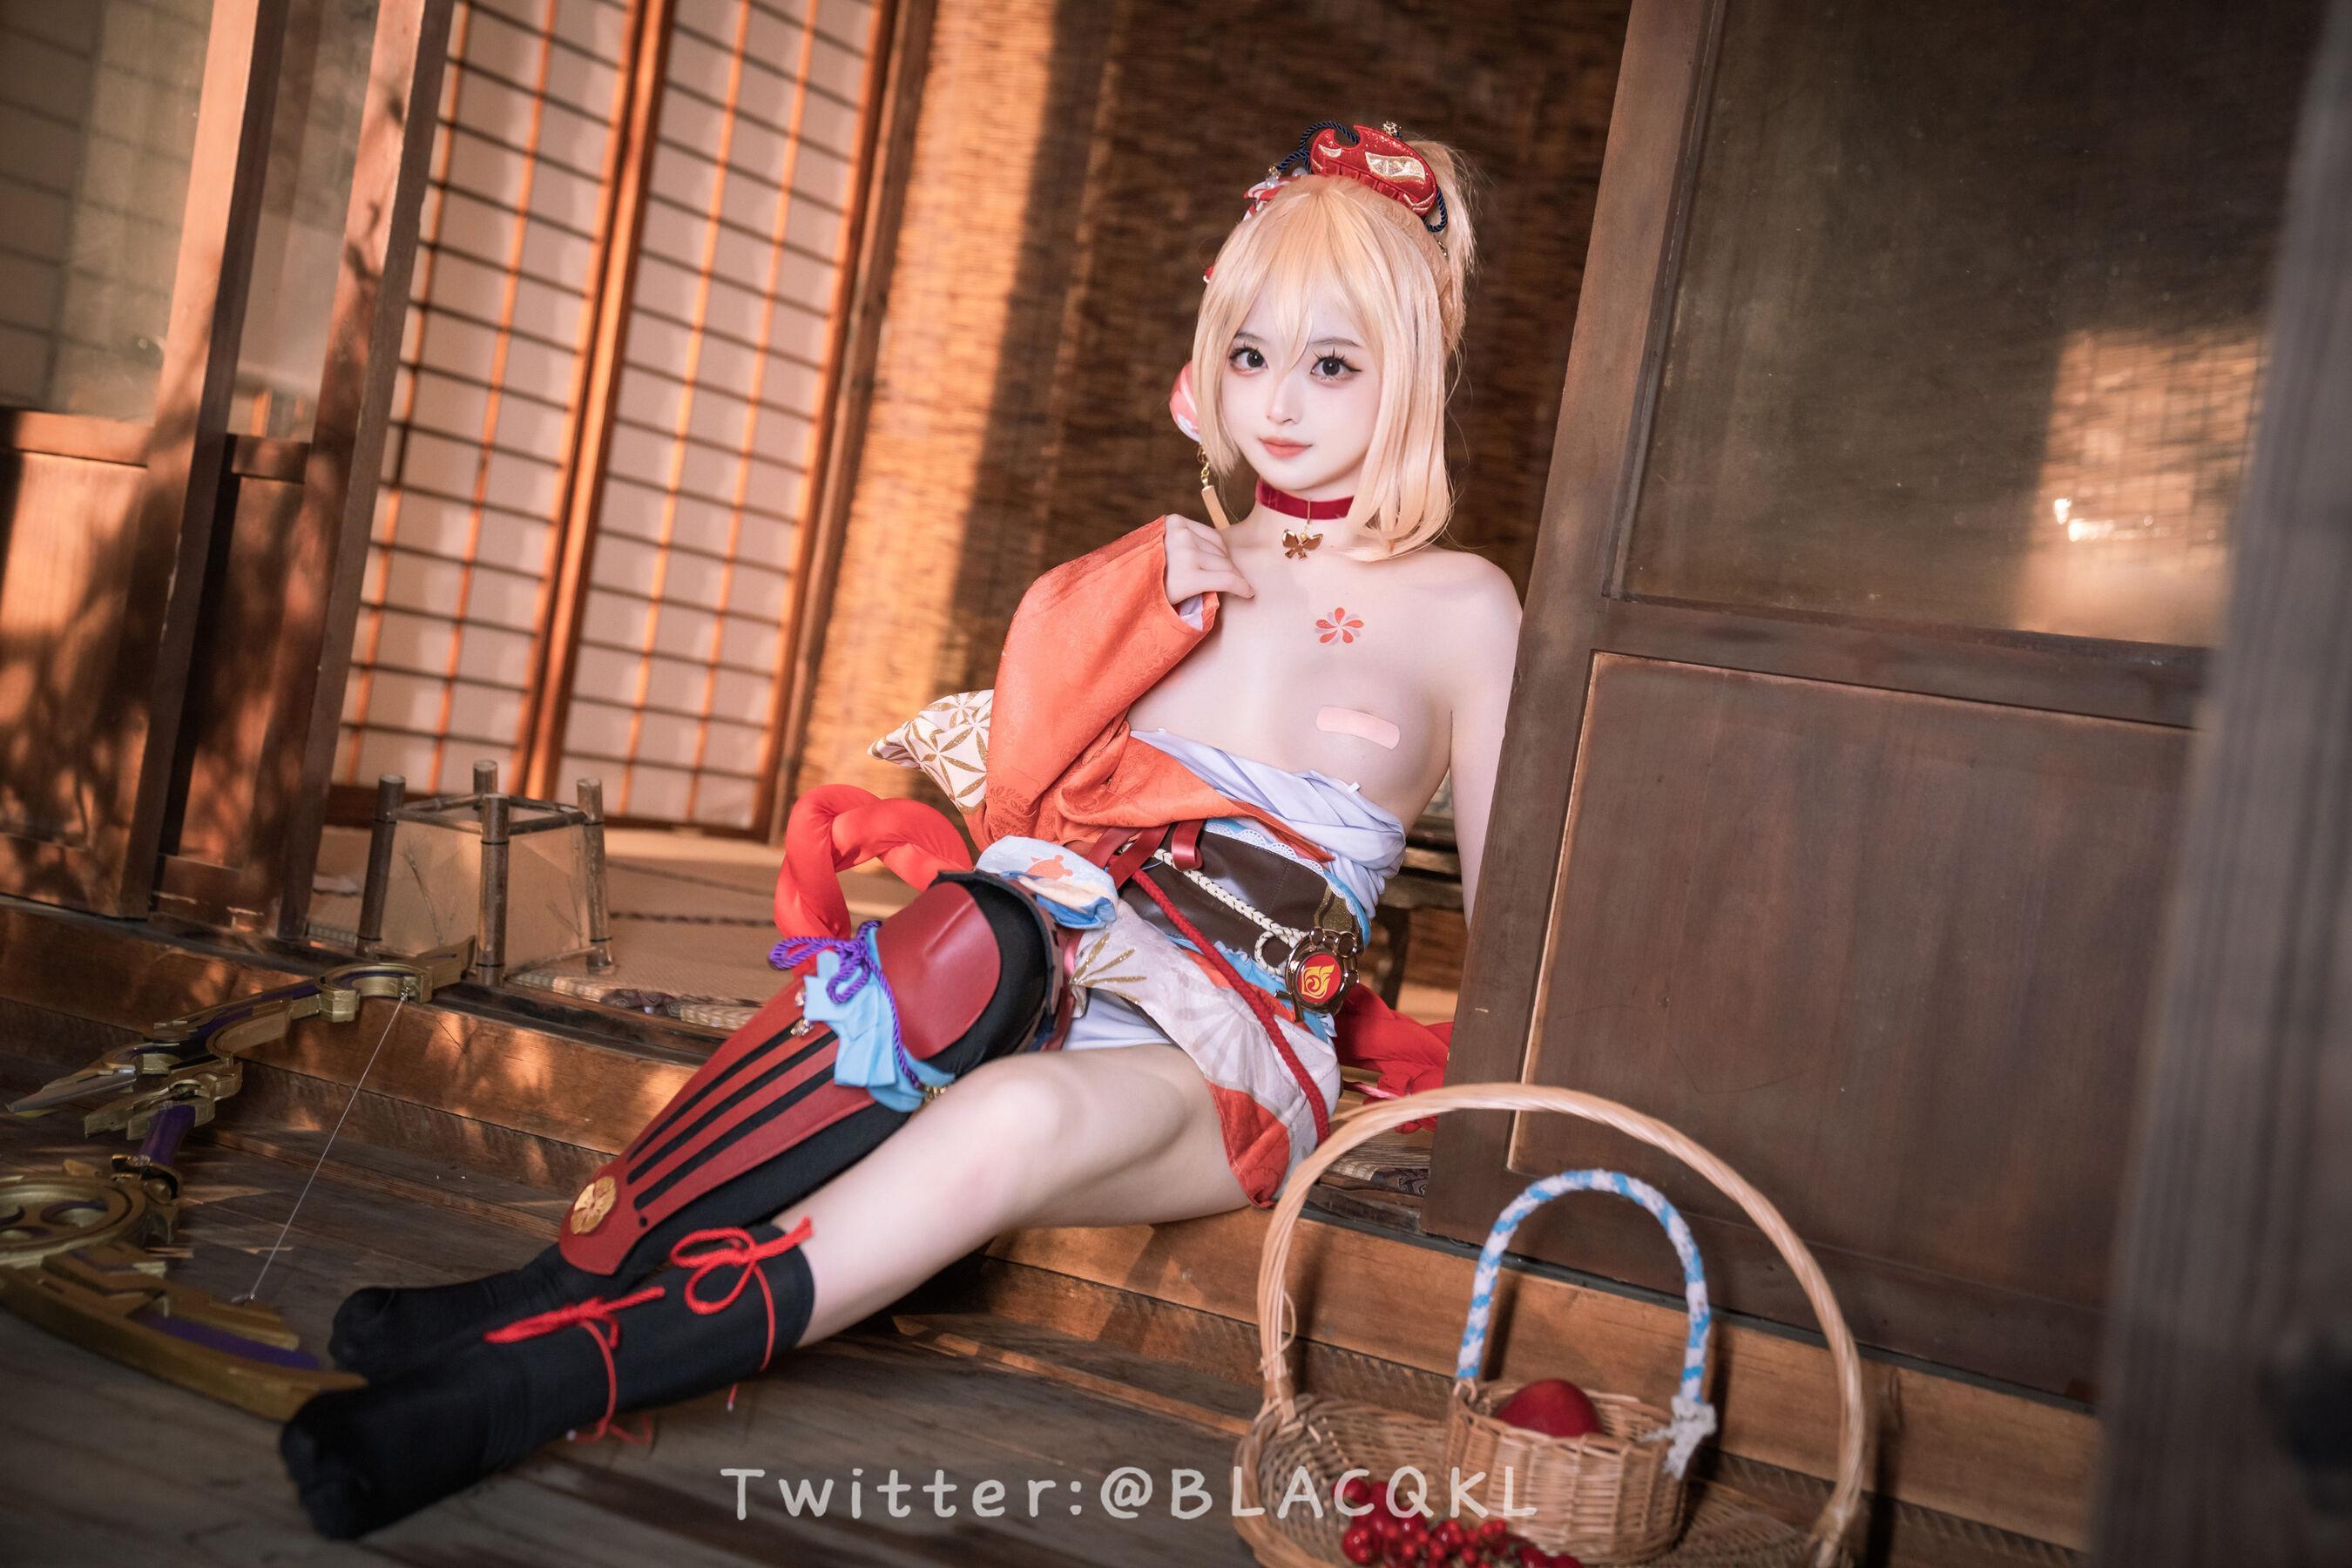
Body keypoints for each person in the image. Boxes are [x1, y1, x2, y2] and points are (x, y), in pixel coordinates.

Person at [280, 120, 1522, 1538]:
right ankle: (557, 1280)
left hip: (1231, 1039)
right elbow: (1025, 795)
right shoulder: (1173, 565)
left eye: (1332, 364)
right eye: (1250, 355)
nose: (1280, 403)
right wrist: (1121, 597)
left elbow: (1522, 919)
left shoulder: (1467, 608)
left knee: (1014, 1114)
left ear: (1413, 364)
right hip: (1055, 951)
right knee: (945, 954)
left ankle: (530, 1381)